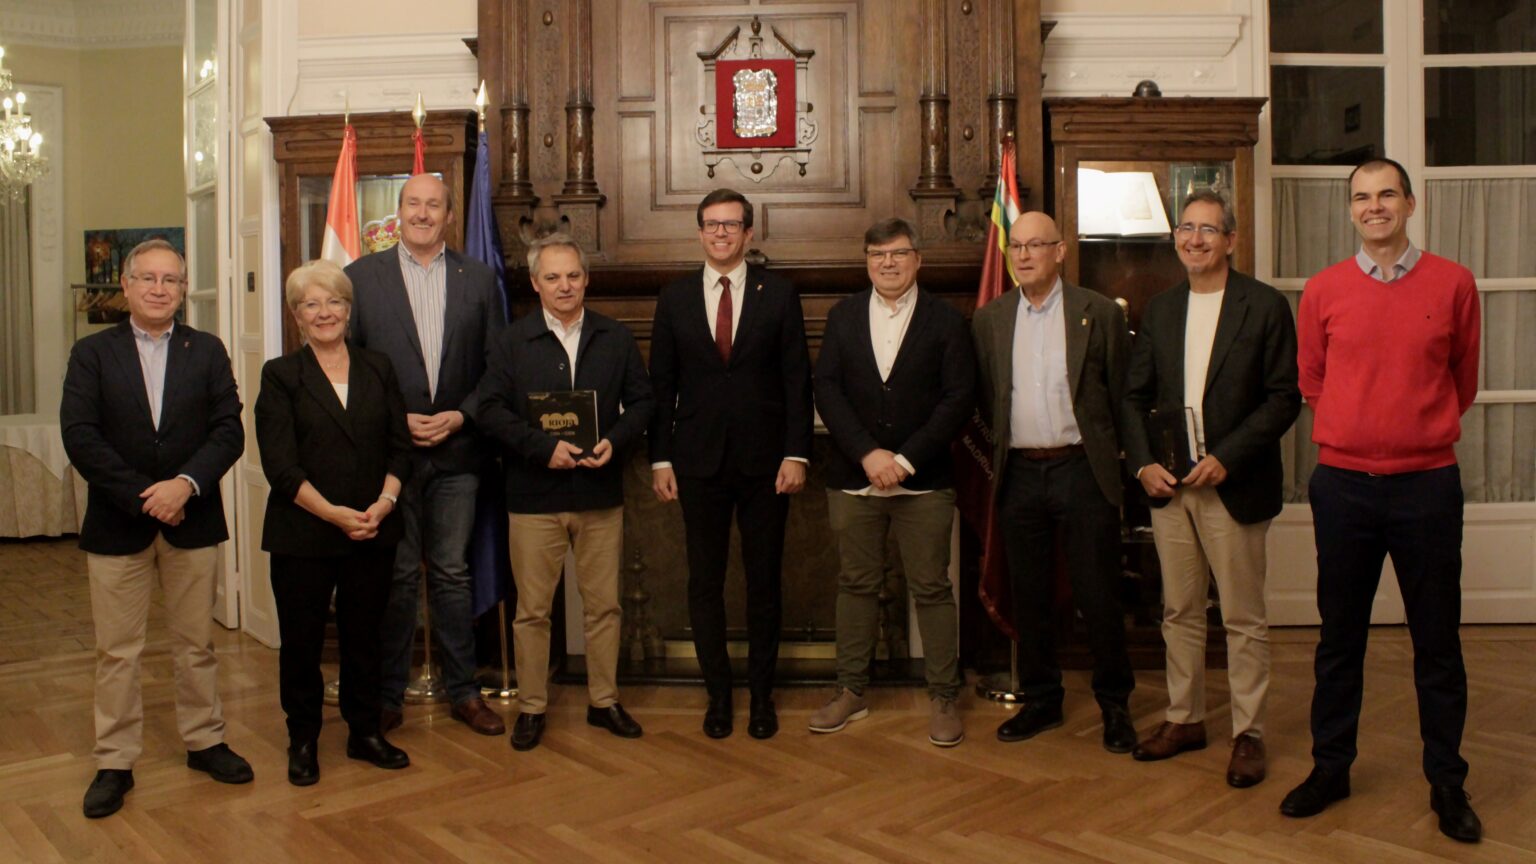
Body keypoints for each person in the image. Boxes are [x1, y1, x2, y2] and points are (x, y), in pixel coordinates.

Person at [1280, 157, 1483, 843]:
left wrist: (1411, 430)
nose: (1375, 207)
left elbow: (1462, 380)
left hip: (1428, 486)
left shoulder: (1454, 283)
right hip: (1343, 488)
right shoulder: (1323, 290)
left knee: (1437, 641)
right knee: (1339, 638)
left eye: (1387, 194)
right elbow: (1312, 379)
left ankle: (1447, 782)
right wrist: (1359, 428)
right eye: (1362, 197)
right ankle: (1330, 768)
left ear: (1410, 203)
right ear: (1351, 210)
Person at [61, 239, 249, 818]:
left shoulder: (208, 350)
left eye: (171, 280)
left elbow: (229, 430)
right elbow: (80, 435)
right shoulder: (92, 354)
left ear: (183, 289)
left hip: (193, 518)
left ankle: (205, 741)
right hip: (118, 522)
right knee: (117, 651)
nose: (159, 289)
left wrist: (185, 485)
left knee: (196, 643)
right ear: (126, 285)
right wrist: (147, 497)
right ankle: (115, 761)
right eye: (148, 278)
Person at [1120, 191, 1301, 787]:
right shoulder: (1161, 308)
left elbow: (1283, 397)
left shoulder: (1265, 306)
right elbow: (1133, 396)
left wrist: (1228, 457)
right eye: (1186, 229)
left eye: (1207, 230)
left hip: (1233, 484)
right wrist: (1143, 464)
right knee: (1179, 611)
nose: (1194, 239)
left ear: (1230, 240)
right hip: (1171, 486)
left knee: (1243, 617)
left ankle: (1249, 733)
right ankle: (1185, 718)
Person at [476, 233, 655, 751]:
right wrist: (541, 448)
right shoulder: (511, 341)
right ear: (535, 283)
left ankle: (604, 701)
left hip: (599, 494)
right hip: (534, 497)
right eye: (552, 277)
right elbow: (489, 410)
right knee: (533, 611)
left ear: (586, 279)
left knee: (604, 607)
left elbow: (643, 403)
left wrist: (615, 440)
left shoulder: (615, 338)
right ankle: (532, 707)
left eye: (573, 275)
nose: (564, 286)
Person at [346, 173, 508, 737]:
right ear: (399, 212)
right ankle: (388, 695)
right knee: (395, 577)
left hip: (458, 453)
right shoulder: (360, 278)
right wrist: (395, 419)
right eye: (413, 203)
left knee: (452, 574)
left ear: (449, 215)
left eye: (433, 205)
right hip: (391, 457)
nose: (422, 213)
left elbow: (497, 367)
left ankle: (464, 692)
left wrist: (462, 415)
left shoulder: (478, 279)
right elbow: (349, 368)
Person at [649, 188, 813, 740]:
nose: (721, 233)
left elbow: (796, 379)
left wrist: (796, 453)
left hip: (768, 464)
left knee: (764, 583)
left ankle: (762, 697)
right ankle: (718, 696)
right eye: (712, 224)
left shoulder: (779, 294)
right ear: (700, 232)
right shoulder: (674, 297)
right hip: (697, 463)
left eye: (731, 224)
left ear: (748, 233)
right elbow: (661, 385)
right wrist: (660, 458)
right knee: (705, 583)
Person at [971, 212, 1137, 753]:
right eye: (1015, 246)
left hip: (1081, 469)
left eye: (1035, 245)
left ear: (1060, 251)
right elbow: (987, 397)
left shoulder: (1099, 313)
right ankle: (1042, 698)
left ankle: (1115, 705)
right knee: (1030, 595)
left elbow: (1121, 396)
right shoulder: (991, 319)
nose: (1022, 256)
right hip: (1019, 473)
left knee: (1098, 593)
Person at [808, 218, 975, 746]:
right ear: (867, 261)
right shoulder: (843, 316)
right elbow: (827, 389)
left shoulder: (947, 320)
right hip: (854, 477)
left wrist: (904, 460)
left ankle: (944, 695)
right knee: (856, 584)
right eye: (877, 254)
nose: (888, 263)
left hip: (923, 481)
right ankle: (850, 691)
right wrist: (868, 453)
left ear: (917, 259)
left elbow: (958, 398)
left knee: (932, 587)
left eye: (898, 253)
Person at [254, 260, 413, 785]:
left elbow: (400, 447)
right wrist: (333, 514)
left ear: (348, 309)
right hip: (304, 532)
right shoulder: (280, 375)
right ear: (297, 316)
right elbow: (280, 465)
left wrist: (384, 504)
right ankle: (303, 740)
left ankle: (364, 732)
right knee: (301, 643)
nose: (324, 313)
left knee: (364, 637)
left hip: (373, 527)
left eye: (334, 302)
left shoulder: (379, 367)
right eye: (311, 304)